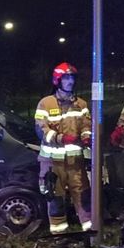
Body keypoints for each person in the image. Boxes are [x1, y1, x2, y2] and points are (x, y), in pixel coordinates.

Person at [34, 62, 92, 232]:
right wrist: (61, 138)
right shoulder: (45, 103)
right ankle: (58, 234)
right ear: (57, 81)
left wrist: (87, 137)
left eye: (72, 78)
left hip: (76, 162)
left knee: (83, 196)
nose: (70, 81)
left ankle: (89, 232)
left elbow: (86, 126)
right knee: (55, 197)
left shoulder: (81, 104)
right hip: (52, 162)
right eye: (66, 78)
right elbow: (41, 130)